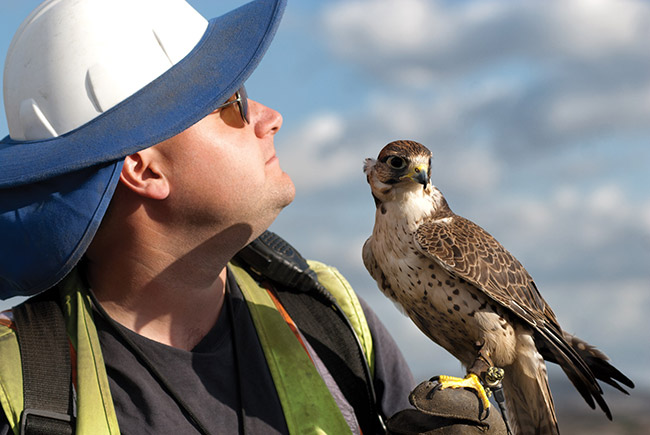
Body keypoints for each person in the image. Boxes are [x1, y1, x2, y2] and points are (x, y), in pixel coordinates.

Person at [0, 0, 506, 434]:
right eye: (231, 103)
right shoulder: (17, 387)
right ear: (143, 168)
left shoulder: (330, 314)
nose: (270, 117)